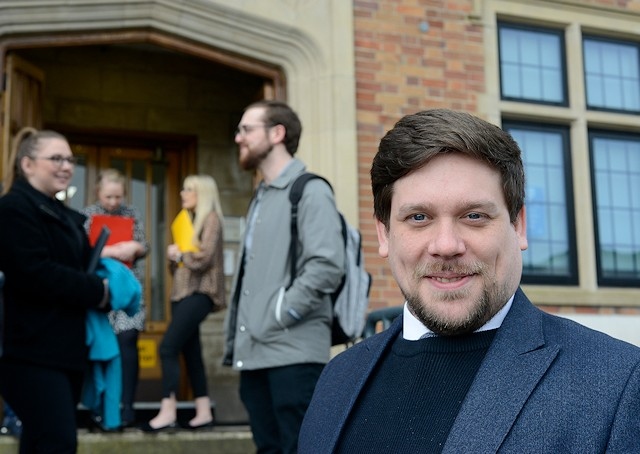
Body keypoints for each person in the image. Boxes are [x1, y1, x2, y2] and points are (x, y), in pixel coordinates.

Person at [298, 109, 640, 453]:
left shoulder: (616, 383)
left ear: (518, 225)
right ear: (384, 234)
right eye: (419, 217)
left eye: (474, 216)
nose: (446, 246)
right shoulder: (336, 380)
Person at [223, 100, 345, 454]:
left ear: (277, 134)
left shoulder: (310, 190)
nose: (238, 138)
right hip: (256, 354)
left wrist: (282, 312)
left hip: (293, 354)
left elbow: (326, 264)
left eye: (247, 129)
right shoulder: (260, 197)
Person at [0, 127, 110, 452]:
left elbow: (73, 266)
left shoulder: (62, 213)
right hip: (29, 350)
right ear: (28, 164)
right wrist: (97, 289)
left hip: (64, 349)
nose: (65, 166)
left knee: (40, 441)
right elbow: (36, 273)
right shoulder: (14, 208)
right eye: (56, 158)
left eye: (70, 159)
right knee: (58, 441)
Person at [141, 174, 225, 432]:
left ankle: (168, 410)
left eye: (189, 189)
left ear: (203, 193)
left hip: (201, 293)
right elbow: (178, 268)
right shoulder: (186, 220)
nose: (182, 193)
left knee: (167, 348)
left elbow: (204, 258)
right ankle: (203, 411)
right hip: (180, 293)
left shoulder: (211, 219)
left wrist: (182, 254)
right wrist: (172, 257)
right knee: (192, 353)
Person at [82, 168, 148, 428]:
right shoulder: (88, 215)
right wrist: (108, 251)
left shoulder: (132, 214)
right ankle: (99, 411)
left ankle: (127, 408)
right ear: (99, 193)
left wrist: (136, 248)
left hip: (127, 293)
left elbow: (145, 245)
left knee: (128, 344)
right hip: (101, 295)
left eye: (118, 197)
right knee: (101, 352)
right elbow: (82, 252)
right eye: (109, 197)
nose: (113, 202)